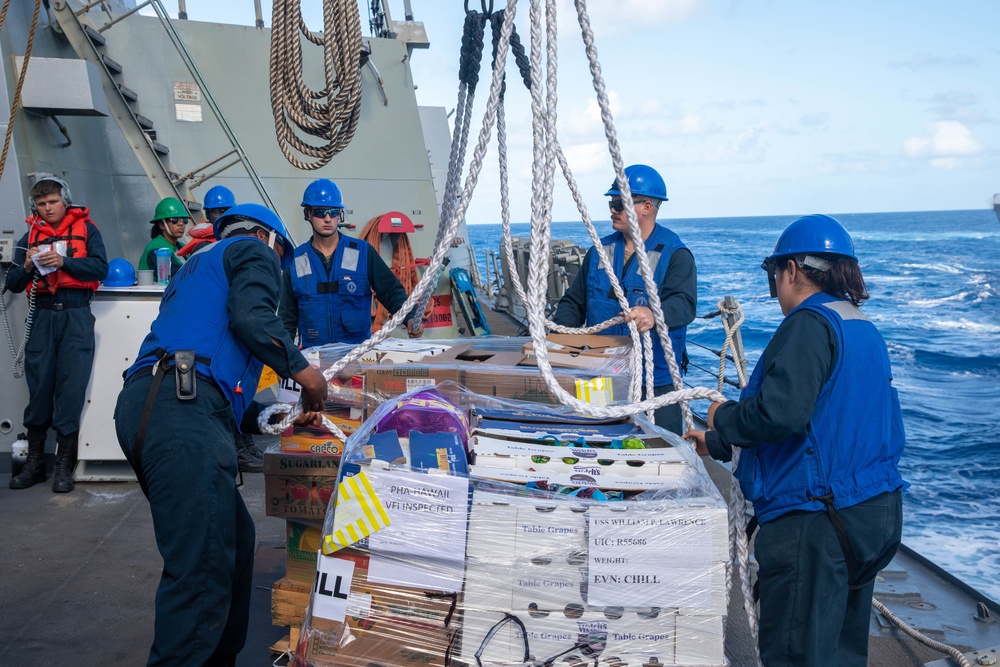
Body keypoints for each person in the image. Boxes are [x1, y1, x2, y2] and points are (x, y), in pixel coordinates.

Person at [684, 214, 907, 667]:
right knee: (841, 653)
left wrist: (722, 416)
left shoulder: (807, 325)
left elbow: (781, 412)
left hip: (818, 523)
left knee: (796, 654)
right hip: (873, 514)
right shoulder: (860, 326)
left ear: (790, 271)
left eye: (775, 276)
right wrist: (718, 443)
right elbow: (826, 425)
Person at [114, 203, 328, 666]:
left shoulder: (195, 267)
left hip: (155, 403)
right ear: (268, 237)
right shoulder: (252, 250)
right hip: (182, 412)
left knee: (233, 540)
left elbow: (212, 366)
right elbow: (253, 319)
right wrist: (307, 376)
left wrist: (271, 414)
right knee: (202, 570)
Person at [551, 164, 696, 434]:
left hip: (655, 380)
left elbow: (684, 305)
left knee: (659, 449)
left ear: (646, 207)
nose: (612, 209)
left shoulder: (675, 254)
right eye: (611, 202)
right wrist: (560, 338)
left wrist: (654, 315)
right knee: (601, 441)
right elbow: (574, 302)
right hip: (601, 373)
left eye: (619, 203)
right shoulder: (599, 251)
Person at [6, 174, 108, 493]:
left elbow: (99, 268)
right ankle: (35, 465)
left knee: (71, 387)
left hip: (76, 314)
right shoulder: (29, 236)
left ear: (65, 200)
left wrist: (63, 262)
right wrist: (25, 267)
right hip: (43, 316)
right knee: (39, 387)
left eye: (53, 202)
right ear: (34, 207)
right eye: (41, 203)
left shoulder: (88, 230)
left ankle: (64, 466)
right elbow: (11, 284)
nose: (48, 208)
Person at [279, 177, 423, 346]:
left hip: (356, 356)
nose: (327, 219)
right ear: (308, 214)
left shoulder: (362, 253)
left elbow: (391, 292)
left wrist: (411, 317)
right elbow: (286, 319)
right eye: (320, 212)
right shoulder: (295, 261)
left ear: (340, 215)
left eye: (333, 212)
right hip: (314, 360)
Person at [138, 197, 191, 279]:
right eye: (174, 220)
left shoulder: (182, 247)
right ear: (162, 225)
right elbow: (179, 275)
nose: (181, 224)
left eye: (184, 220)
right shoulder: (156, 250)